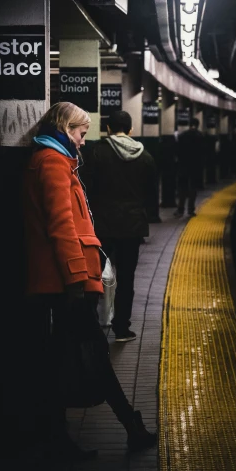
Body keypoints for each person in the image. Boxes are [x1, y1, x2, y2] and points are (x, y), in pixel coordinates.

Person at [22, 101, 156, 459]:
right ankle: (130, 426)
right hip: (67, 281)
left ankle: (62, 435)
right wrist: (76, 279)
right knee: (91, 353)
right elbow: (61, 225)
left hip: (66, 279)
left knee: (70, 356)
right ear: (66, 127)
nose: (84, 140)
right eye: (81, 132)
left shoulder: (59, 160)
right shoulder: (52, 162)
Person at [81, 110, 158, 343]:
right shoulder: (146, 157)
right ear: (131, 130)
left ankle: (91, 326)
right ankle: (122, 329)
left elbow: (86, 188)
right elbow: (150, 193)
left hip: (101, 225)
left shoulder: (95, 152)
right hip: (132, 226)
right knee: (127, 278)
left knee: (94, 274)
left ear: (107, 129)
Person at [174, 117, 204, 217]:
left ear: (189, 124)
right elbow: (203, 153)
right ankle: (191, 210)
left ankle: (180, 210)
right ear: (198, 125)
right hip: (196, 166)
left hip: (183, 165)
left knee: (182, 188)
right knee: (193, 188)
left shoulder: (182, 136)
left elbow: (177, 151)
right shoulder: (200, 136)